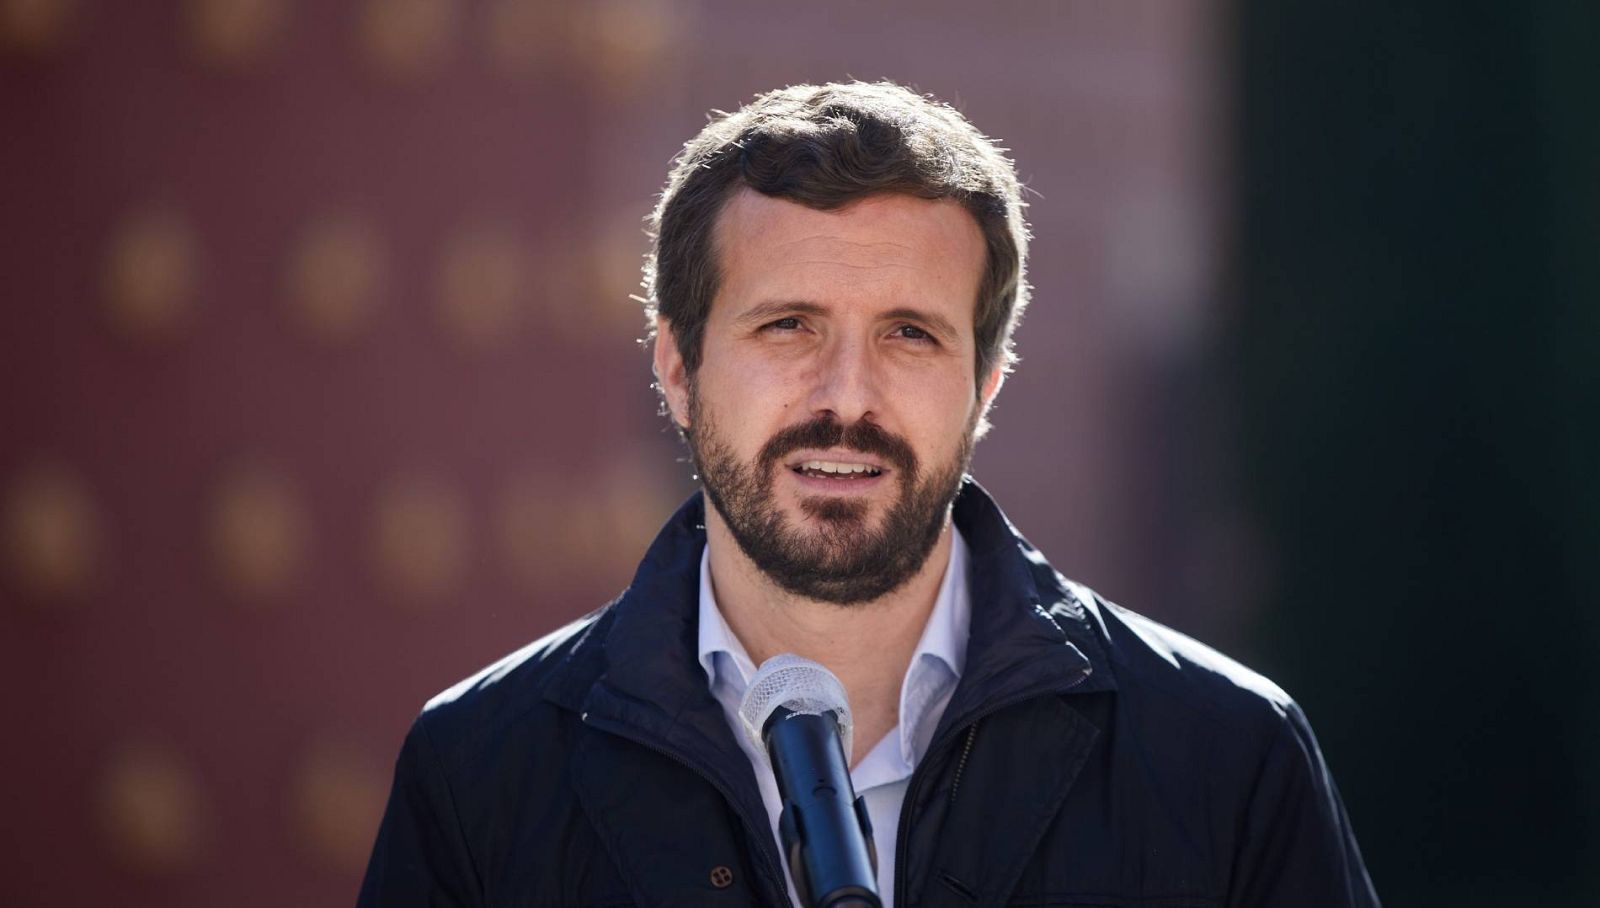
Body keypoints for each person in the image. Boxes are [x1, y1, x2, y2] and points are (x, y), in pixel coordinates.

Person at [357, 81, 1380, 908]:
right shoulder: (481, 774)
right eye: (787, 326)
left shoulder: (1224, 755)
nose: (846, 398)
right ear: (675, 368)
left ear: (983, 383)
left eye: (908, 334)